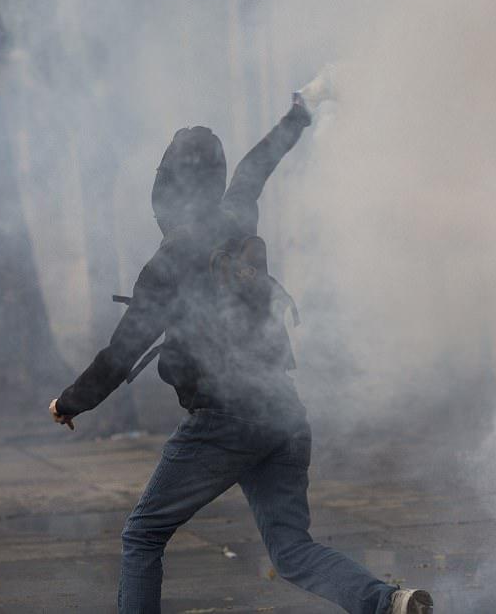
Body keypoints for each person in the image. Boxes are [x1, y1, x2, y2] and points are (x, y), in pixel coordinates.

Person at [48, 94, 433, 614]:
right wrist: (298, 114)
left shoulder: (169, 261)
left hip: (226, 421)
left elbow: (122, 352)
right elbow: (259, 163)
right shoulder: (238, 216)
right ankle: (388, 602)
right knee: (293, 550)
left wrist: (70, 401)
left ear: (167, 188)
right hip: (284, 411)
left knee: (142, 535)